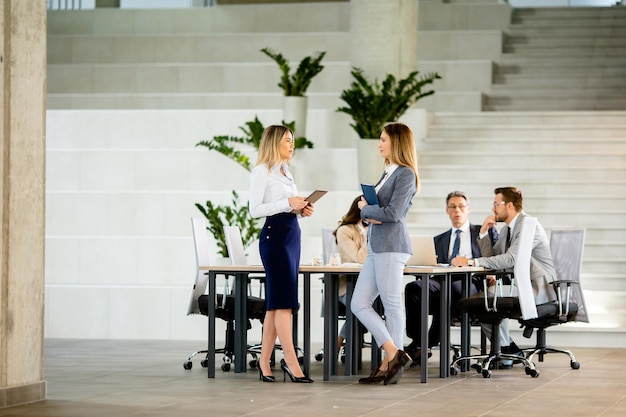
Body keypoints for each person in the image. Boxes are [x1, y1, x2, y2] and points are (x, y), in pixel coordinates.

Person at [451, 186, 557, 362]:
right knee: (482, 299)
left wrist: (471, 262)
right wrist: (483, 233)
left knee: (485, 298)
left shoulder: (529, 225)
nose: (493, 209)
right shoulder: (507, 230)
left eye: (495, 204)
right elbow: (493, 257)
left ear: (509, 205)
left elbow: (510, 259)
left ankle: (505, 351)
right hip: (522, 285)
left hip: (539, 288)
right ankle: (507, 350)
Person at [350, 122, 419, 385]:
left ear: (397, 143)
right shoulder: (387, 172)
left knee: (391, 304)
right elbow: (380, 212)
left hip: (392, 246)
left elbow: (393, 214)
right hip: (377, 246)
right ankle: (393, 353)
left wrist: (365, 209)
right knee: (358, 304)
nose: (379, 144)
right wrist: (369, 214)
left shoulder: (405, 174)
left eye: (383, 140)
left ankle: (390, 363)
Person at [249, 125, 315, 383]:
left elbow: (287, 206)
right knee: (284, 303)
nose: (292, 145)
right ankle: (291, 363)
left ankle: (264, 363)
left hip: (290, 235)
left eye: (292, 141)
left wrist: (300, 209)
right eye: (287, 140)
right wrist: (287, 204)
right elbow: (255, 209)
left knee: (276, 304)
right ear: (275, 142)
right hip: (274, 238)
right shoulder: (261, 171)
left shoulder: (286, 173)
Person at [403, 191, 499, 367]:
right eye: (453, 207)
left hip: (472, 281)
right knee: (413, 288)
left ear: (468, 209)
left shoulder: (482, 232)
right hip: (442, 281)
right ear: (446, 210)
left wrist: (491, 271)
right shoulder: (439, 239)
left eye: (461, 207)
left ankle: (421, 347)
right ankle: (417, 339)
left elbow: (497, 256)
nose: (457, 210)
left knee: (450, 293)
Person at [333, 196, 369, 355]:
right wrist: (368, 235)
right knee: (360, 307)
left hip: (368, 286)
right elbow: (359, 259)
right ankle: (338, 342)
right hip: (347, 287)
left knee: (372, 306)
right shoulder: (345, 231)